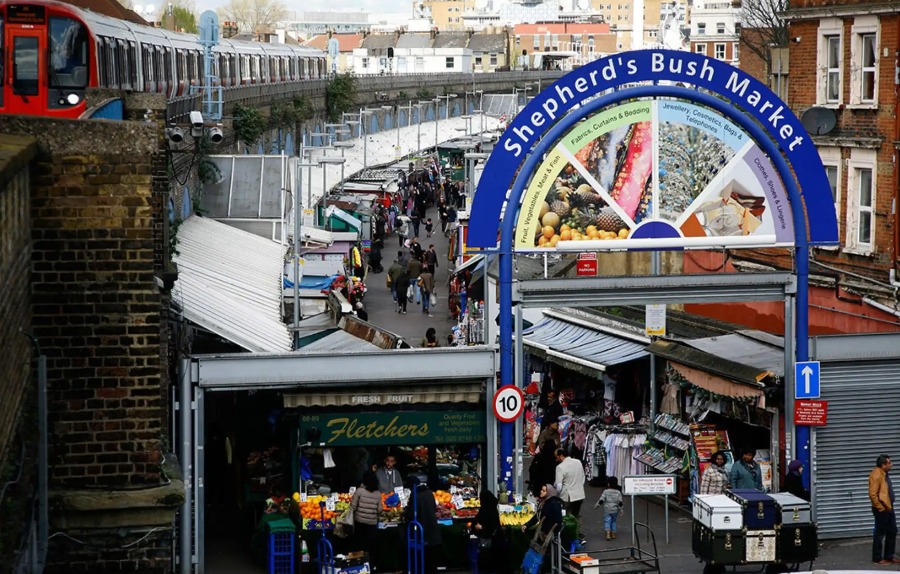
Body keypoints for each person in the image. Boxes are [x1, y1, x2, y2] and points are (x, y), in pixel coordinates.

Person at [521, 483, 564, 569]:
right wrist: (527, 524)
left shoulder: (552, 504)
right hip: (545, 532)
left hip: (548, 534)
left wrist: (551, 532)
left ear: (549, 493)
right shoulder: (545, 502)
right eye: (542, 490)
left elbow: (558, 521)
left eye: (544, 491)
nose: (541, 492)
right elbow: (538, 516)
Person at [405, 476, 442, 574]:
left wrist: (405, 513)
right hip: (433, 529)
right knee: (431, 561)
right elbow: (434, 508)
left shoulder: (415, 495)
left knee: (422, 559)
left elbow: (412, 513)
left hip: (422, 531)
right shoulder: (429, 492)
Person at [869, 454, 898, 565]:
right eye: (889, 463)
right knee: (879, 533)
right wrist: (880, 507)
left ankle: (889, 556)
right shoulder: (876, 474)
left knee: (892, 531)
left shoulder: (884, 473)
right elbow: (872, 494)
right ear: (883, 465)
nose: (891, 465)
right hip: (882, 508)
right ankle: (877, 558)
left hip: (888, 507)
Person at [351, 470, 383, 570]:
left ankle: (360, 567)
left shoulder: (359, 491)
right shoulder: (378, 494)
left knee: (360, 545)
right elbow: (380, 510)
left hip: (360, 523)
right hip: (372, 524)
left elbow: (353, 506)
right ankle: (371, 566)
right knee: (371, 547)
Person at [470, 489, 507, 574]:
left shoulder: (486, 510)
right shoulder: (492, 508)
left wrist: (480, 527)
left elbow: (488, 526)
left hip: (490, 543)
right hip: (497, 542)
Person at [555, 448, 586, 540]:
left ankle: (568, 536)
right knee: (577, 515)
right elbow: (582, 477)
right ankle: (580, 534)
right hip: (580, 493)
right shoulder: (578, 462)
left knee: (566, 516)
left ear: (561, 456)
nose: (556, 459)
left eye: (557, 457)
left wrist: (558, 493)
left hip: (567, 495)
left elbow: (559, 486)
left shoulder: (560, 467)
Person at [599, 476, 624, 540]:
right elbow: (620, 502)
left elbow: (601, 499)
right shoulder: (618, 492)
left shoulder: (606, 491)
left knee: (607, 521)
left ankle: (607, 533)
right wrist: (621, 510)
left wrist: (597, 505)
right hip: (615, 510)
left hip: (607, 509)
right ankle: (613, 534)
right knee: (613, 521)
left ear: (608, 484)